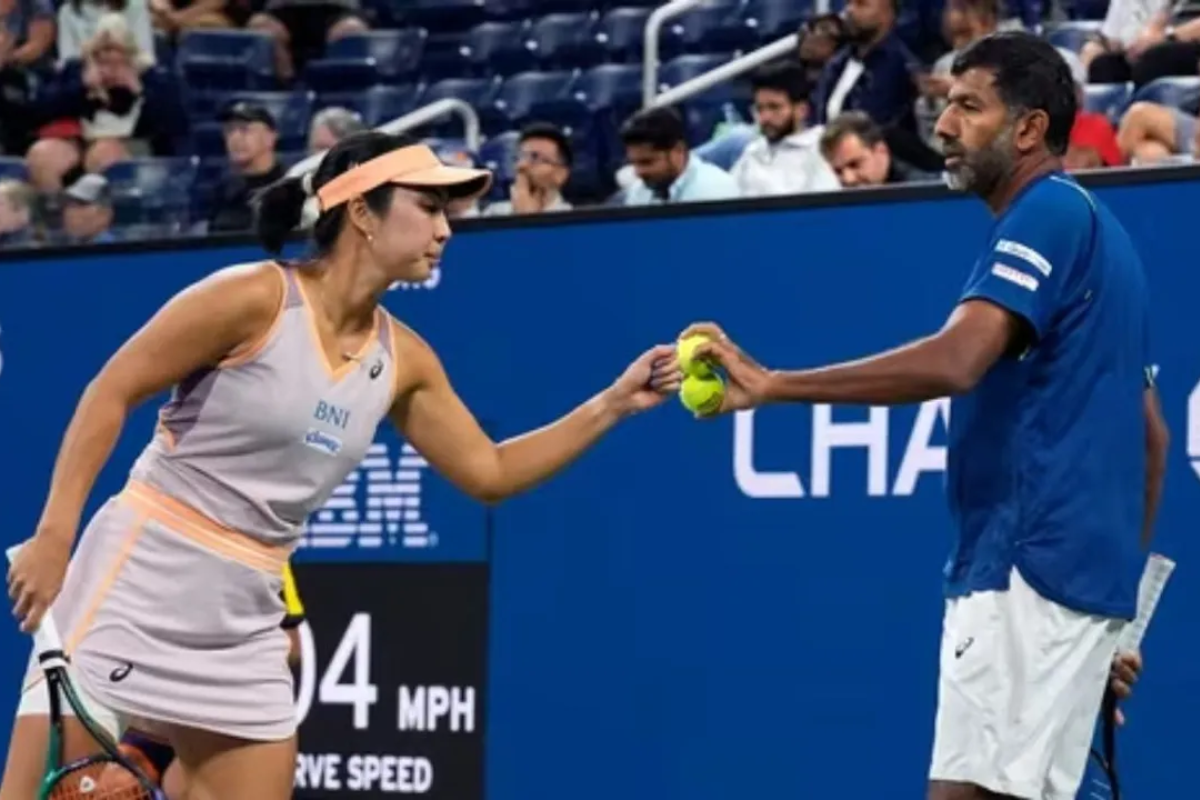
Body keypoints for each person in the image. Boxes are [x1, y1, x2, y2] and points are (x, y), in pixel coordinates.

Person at [2, 130, 683, 800]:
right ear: (361, 210)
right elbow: (108, 393)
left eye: (447, 213)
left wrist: (614, 403)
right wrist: (56, 537)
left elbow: (491, 473)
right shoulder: (251, 298)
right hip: (142, 575)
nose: (445, 229)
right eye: (429, 207)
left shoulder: (405, 359)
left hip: (247, 615)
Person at [679, 32, 1168, 800]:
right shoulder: (1109, 241)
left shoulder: (1045, 215)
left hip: (1024, 569)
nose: (942, 126)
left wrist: (774, 385)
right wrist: (1116, 606)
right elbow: (1151, 437)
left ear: (1031, 128)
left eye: (969, 107)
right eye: (945, 106)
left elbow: (957, 359)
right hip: (1071, 582)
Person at [116, 562, 307, 797]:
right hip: (148, 719)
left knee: (185, 785)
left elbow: (291, 646)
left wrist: (215, 668)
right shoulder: (138, 546)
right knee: (115, 782)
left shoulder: (261, 550)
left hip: (219, 720)